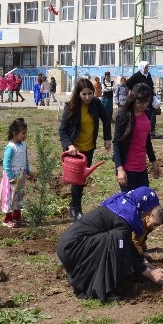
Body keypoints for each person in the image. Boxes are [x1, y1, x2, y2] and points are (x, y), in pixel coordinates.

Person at [57, 187, 163, 302]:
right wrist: (149, 273)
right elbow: (123, 251)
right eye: (150, 208)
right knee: (116, 240)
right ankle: (101, 289)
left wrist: (142, 262)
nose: (150, 212)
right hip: (73, 247)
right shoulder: (123, 217)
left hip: (73, 244)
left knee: (118, 241)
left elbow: (128, 246)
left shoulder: (123, 208)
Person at [60, 77, 114, 220]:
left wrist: (107, 138)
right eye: (84, 94)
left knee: (81, 179)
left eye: (90, 93)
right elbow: (62, 130)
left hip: (89, 148)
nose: (88, 97)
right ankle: (75, 209)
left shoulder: (96, 103)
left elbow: (106, 120)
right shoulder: (71, 106)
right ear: (78, 93)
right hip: (75, 150)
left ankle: (74, 206)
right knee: (78, 180)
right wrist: (69, 145)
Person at [113, 83, 160, 193]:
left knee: (144, 200)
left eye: (147, 102)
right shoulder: (124, 115)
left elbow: (147, 139)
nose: (144, 105)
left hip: (141, 166)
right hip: (127, 167)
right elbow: (116, 143)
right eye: (140, 102)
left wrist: (153, 161)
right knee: (131, 203)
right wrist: (120, 169)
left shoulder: (147, 113)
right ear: (133, 98)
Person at [0, 118, 36, 228]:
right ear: (15, 133)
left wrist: (28, 170)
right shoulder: (11, 147)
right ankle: (7, 218)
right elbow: (6, 163)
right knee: (9, 197)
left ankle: (17, 217)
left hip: (21, 175)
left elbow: (25, 159)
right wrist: (10, 177)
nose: (25, 135)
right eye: (23, 133)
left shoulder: (23, 145)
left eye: (26, 133)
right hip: (12, 177)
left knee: (19, 196)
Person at [127, 61, 157, 134]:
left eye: (148, 67)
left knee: (152, 114)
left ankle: (151, 130)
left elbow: (151, 85)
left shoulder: (148, 75)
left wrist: (154, 94)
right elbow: (128, 83)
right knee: (144, 113)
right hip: (141, 99)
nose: (147, 69)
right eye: (146, 67)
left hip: (149, 97)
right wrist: (135, 92)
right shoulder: (137, 75)